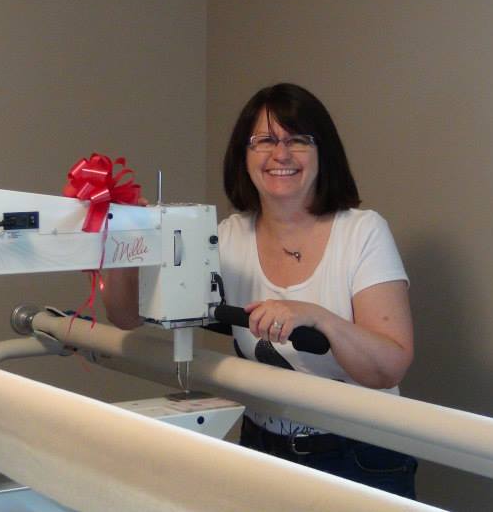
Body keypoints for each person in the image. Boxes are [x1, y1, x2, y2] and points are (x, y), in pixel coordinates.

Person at [102, 83, 417, 498]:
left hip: (359, 454)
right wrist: (126, 241)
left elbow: (388, 367)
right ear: (244, 156)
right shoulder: (228, 237)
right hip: (263, 447)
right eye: (264, 141)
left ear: (323, 153)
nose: (280, 154)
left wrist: (318, 318)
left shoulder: (362, 232)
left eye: (298, 140)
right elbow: (125, 316)